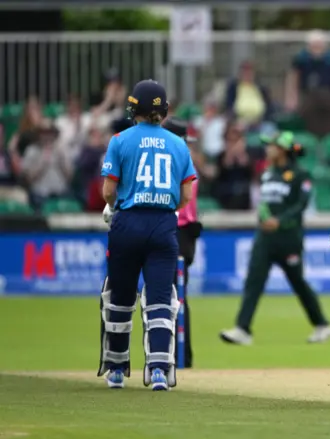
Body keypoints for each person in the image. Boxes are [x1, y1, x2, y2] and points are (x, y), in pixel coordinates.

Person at [97, 79, 197, 391]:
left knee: (120, 297)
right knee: (160, 299)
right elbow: (186, 196)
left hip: (127, 223)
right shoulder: (178, 144)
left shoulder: (120, 140)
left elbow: (109, 189)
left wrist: (115, 206)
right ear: (164, 111)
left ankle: (115, 368)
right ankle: (157, 370)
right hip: (163, 226)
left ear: (132, 108)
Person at [220, 131, 330, 345]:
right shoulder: (267, 173)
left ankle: (322, 324)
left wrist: (279, 221)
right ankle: (242, 329)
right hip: (265, 237)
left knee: (298, 282)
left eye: (272, 146)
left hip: (288, 238)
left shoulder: (300, 174)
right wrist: (265, 219)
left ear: (283, 149)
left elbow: (300, 205)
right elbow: (263, 203)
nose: (268, 149)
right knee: (253, 281)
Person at [162, 116, 201, 368]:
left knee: (176, 295)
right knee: (168, 295)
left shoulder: (182, 164)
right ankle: (173, 355)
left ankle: (181, 356)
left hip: (179, 232)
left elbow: (181, 200)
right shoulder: (175, 162)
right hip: (174, 232)